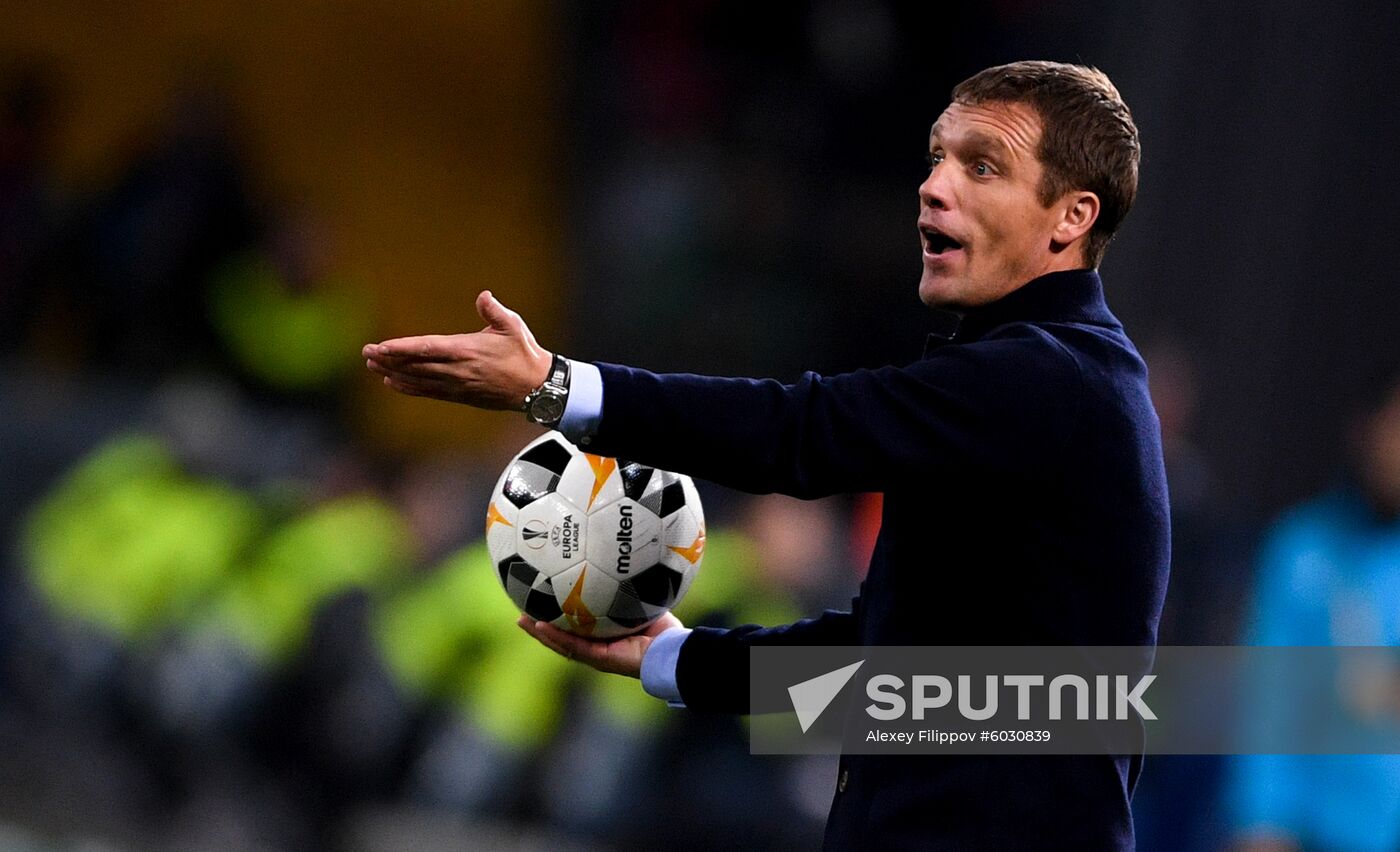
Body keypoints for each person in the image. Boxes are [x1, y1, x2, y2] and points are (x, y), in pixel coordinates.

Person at [363, 60, 1169, 850]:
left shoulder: (1049, 378)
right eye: (937, 157)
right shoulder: (1040, 383)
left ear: (1071, 216)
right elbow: (890, 664)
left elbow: (798, 433)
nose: (934, 185)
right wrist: (676, 658)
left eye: (982, 166)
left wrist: (557, 387)